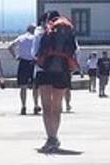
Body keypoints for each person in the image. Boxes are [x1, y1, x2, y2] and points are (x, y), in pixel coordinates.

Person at [33, 10, 79, 153]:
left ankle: (50, 137)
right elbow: (76, 51)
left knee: (46, 106)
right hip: (62, 70)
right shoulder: (68, 31)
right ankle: (55, 135)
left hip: (43, 71)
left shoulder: (41, 32)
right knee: (57, 106)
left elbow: (34, 53)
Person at [9, 24, 41, 115]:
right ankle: (36, 105)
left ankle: (23, 106)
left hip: (23, 63)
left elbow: (10, 46)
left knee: (23, 87)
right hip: (33, 63)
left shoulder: (21, 38)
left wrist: (15, 56)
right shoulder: (36, 38)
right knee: (35, 86)